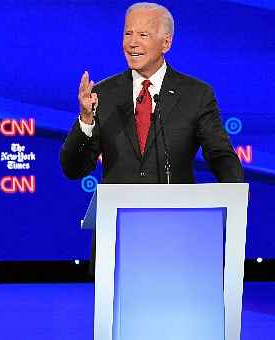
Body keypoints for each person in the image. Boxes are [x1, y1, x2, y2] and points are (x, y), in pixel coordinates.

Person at [60, 3, 243, 268]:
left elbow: (219, 153)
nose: (132, 43)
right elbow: (72, 169)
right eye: (127, 34)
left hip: (177, 238)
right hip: (117, 241)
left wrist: (235, 189)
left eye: (143, 35)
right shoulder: (104, 94)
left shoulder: (196, 95)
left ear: (166, 42)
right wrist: (86, 119)